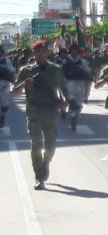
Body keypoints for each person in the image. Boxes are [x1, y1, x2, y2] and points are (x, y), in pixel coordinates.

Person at [12, 40, 67, 190]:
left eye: (44, 51)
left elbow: (63, 88)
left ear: (48, 53)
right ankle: (39, 176)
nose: (41, 54)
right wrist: (24, 84)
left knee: (50, 144)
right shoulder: (26, 70)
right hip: (34, 111)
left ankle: (46, 163)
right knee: (36, 144)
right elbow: (14, 91)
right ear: (34, 53)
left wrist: (65, 102)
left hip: (51, 111)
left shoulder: (56, 69)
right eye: (38, 51)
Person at [61, 44, 91, 131]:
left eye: (76, 50)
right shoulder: (66, 61)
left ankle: (73, 116)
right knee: (72, 101)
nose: (75, 52)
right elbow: (61, 71)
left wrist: (90, 76)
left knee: (79, 104)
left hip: (81, 83)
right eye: (73, 50)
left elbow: (88, 71)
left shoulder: (83, 61)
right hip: (70, 82)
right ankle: (72, 119)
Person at [0, 45, 16, 128]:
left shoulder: (6, 61)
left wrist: (14, 82)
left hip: (4, 85)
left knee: (4, 104)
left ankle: (2, 116)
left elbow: (12, 71)